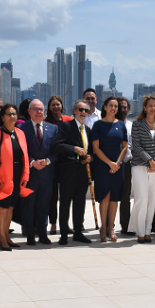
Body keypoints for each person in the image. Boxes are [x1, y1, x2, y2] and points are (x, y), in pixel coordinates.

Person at [0, 104, 31, 251]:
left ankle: (7, 236)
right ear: (2, 117)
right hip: (3, 177)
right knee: (2, 208)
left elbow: (25, 156)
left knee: (10, 208)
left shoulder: (20, 133)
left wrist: (25, 175)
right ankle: (3, 239)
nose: (12, 116)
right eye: (9, 114)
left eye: (14, 114)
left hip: (17, 176)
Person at [53, 100, 95, 245]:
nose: (83, 112)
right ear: (75, 111)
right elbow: (56, 144)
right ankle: (63, 234)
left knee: (80, 203)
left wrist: (90, 157)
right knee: (65, 203)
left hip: (83, 172)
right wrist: (74, 149)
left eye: (86, 110)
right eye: (80, 109)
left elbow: (90, 152)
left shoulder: (88, 130)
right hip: (68, 171)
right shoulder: (66, 126)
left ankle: (78, 232)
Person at [127, 95, 155, 243]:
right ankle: (139, 230)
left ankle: (147, 230)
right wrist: (149, 160)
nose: (153, 108)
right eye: (150, 105)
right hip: (139, 165)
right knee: (142, 198)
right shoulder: (137, 124)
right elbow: (136, 146)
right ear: (145, 108)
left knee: (152, 200)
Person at [19, 99, 58, 245]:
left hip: (47, 175)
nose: (38, 112)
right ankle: (30, 234)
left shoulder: (53, 129)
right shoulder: (22, 129)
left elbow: (56, 151)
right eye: (35, 109)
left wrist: (47, 161)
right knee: (28, 205)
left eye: (41, 109)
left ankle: (43, 233)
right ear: (29, 111)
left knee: (44, 205)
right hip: (30, 175)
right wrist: (32, 162)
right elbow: (21, 151)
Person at [91, 97, 129, 242]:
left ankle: (111, 229)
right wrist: (110, 163)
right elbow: (95, 148)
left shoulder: (121, 124)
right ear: (105, 107)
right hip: (103, 165)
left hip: (118, 166)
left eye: (116, 106)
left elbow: (125, 146)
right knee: (105, 197)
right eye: (111, 105)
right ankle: (103, 228)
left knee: (114, 197)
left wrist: (118, 162)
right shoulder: (98, 125)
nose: (113, 108)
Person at [45, 95, 71, 235]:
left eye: (58, 104)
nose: (56, 107)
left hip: (67, 163)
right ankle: (53, 224)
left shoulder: (69, 120)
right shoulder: (46, 122)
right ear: (49, 107)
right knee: (52, 196)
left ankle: (65, 223)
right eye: (53, 104)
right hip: (52, 163)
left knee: (66, 196)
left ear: (62, 105)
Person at [118, 98, 135, 235]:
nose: (123, 110)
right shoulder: (109, 124)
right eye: (120, 107)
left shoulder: (131, 125)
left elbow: (134, 146)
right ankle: (107, 226)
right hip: (111, 163)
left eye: (125, 107)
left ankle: (126, 226)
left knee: (126, 197)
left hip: (127, 164)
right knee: (109, 197)